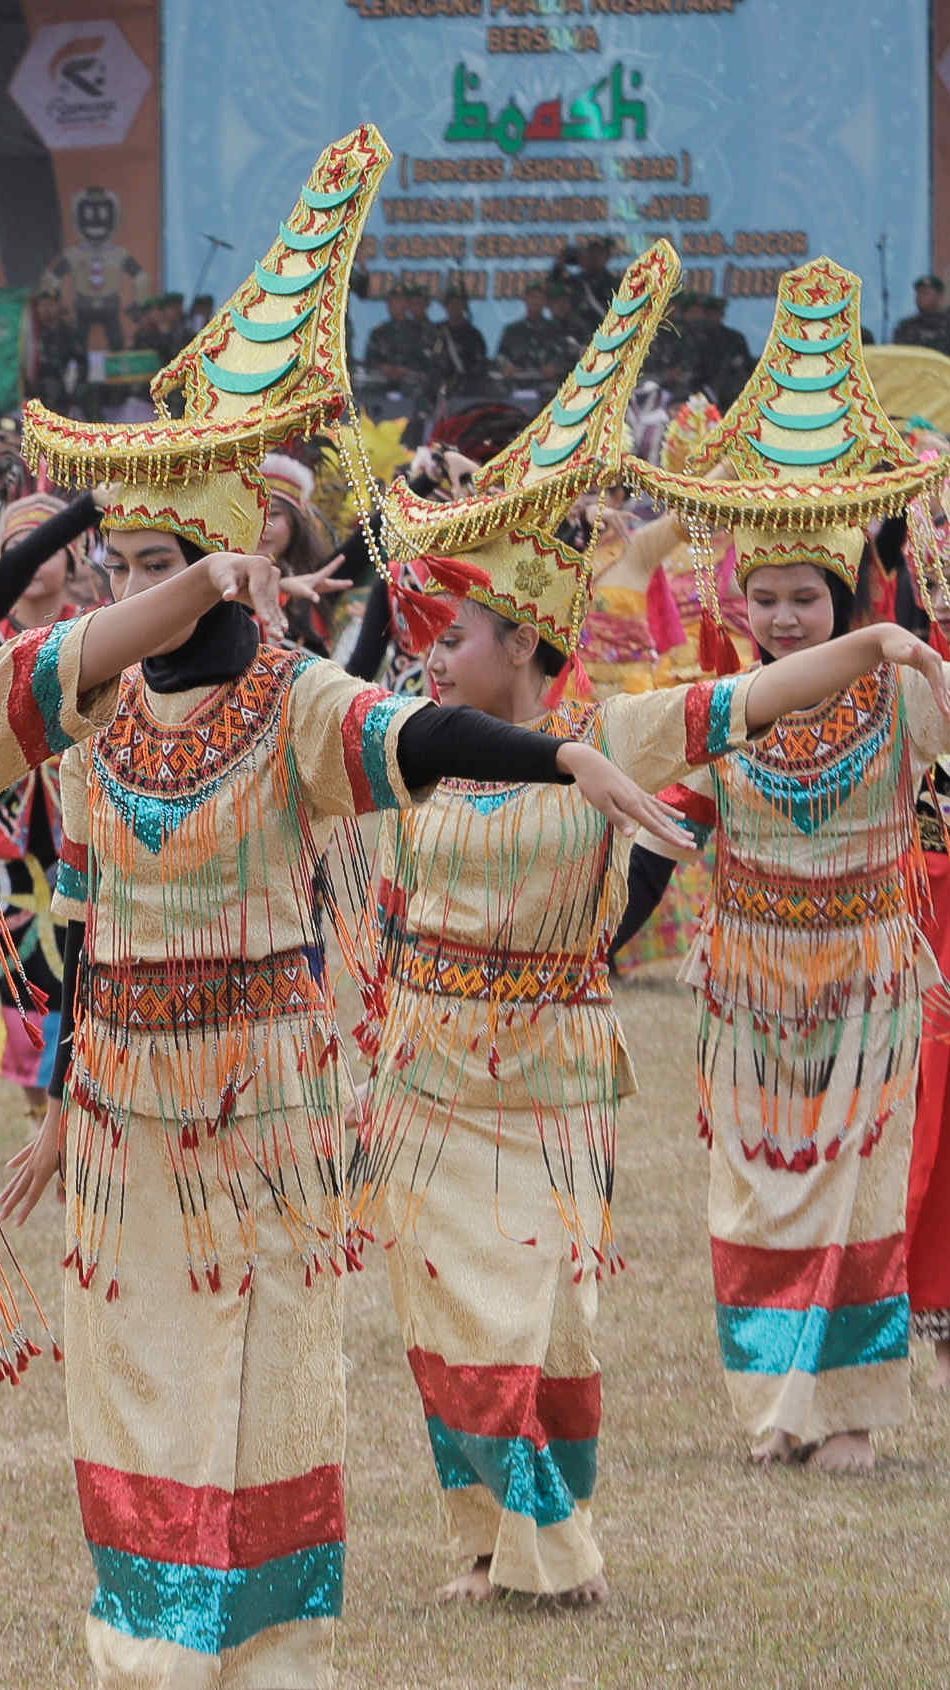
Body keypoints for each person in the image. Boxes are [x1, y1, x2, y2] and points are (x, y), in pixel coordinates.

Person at [2, 130, 673, 1690]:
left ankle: (269, 1645)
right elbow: (90, 906)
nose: (142, 584)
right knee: (137, 1378)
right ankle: (149, 1641)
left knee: (251, 1375)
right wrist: (100, 512)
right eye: (131, 559)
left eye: (175, 558)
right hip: (119, 1109)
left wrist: (567, 745)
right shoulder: (88, 704)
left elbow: (420, 736)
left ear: (249, 561)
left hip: (264, 1099)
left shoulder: (301, 700)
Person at [346, 242, 948, 1610]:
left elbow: (735, 720)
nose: (431, 652)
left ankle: (749, 1449)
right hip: (480, 1063)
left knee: (565, 1303)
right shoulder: (418, 747)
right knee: (472, 1307)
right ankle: (529, 1522)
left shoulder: (643, 720)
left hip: (701, 1025)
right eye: (429, 633)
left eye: (460, 633)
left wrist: (888, 644)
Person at [631, 255, 950, 1473]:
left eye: (801, 600)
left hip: (869, 974)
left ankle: (854, 1413)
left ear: (841, 596)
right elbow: (671, 814)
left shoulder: (893, 693)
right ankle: (779, 1406)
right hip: (751, 979)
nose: (779, 619)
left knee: (856, 1188)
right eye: (760, 599)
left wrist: (922, 638)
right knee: (756, 1191)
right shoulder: (718, 706)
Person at [494, 281, 559, 386]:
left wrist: (555, 366)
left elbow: (565, 356)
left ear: (545, 302)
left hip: (548, 386)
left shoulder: (555, 329)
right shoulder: (512, 330)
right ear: (525, 299)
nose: (535, 301)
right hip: (517, 384)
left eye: (540, 298)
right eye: (532, 297)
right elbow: (500, 356)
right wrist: (506, 365)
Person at [429, 287, 488, 396]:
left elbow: (480, 363)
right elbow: (434, 355)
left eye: (458, 303)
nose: (454, 307)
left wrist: (465, 378)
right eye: (450, 304)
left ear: (464, 306)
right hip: (441, 385)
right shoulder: (438, 332)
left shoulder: (473, 334)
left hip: (468, 386)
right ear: (445, 306)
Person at [893, 275, 950, 355]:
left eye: (926, 293)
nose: (920, 297)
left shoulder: (947, 324)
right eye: (918, 293)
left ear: (939, 296)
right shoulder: (906, 326)